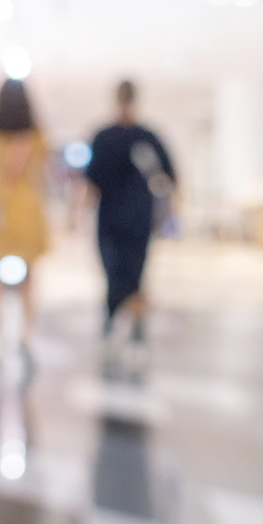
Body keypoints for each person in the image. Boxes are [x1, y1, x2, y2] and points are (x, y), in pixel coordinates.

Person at [84, 80, 175, 343]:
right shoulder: (104, 137)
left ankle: (135, 324)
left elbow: (168, 178)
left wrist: (167, 213)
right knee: (114, 272)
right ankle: (115, 318)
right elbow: (92, 182)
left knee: (135, 275)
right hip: (111, 218)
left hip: (138, 218)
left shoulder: (147, 138)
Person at [0, 79, 49, 346]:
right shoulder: (35, 135)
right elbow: (42, 168)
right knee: (29, 277)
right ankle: (25, 335)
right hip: (27, 208)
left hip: (0, 207)